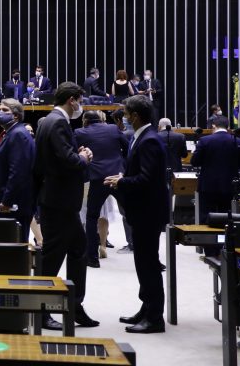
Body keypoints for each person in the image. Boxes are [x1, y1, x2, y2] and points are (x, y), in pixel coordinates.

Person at [33, 82, 98, 330]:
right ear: (72, 100)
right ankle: (41, 310)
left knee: (78, 250)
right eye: (80, 100)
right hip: (59, 201)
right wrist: (83, 157)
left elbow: (54, 156)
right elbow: (67, 160)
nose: (80, 105)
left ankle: (75, 305)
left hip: (55, 198)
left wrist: (74, 152)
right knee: (52, 257)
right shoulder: (58, 122)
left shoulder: (45, 121)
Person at [104, 95, 170, 333]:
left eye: (125, 112)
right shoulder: (141, 137)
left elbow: (147, 179)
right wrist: (123, 179)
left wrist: (122, 182)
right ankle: (146, 308)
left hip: (147, 213)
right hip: (142, 211)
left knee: (149, 264)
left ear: (135, 115)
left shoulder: (150, 140)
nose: (123, 116)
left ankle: (154, 318)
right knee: (143, 263)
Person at [74, 110, 128, 268]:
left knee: (92, 217)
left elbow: (73, 154)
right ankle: (142, 252)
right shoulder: (113, 129)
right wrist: (122, 166)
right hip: (117, 177)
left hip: (97, 179)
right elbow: (128, 148)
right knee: (132, 214)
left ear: (85, 120)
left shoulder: (79, 132)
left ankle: (92, 258)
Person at [190, 115, 240, 255]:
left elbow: (194, 162)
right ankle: (227, 247)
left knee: (207, 218)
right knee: (229, 218)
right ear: (228, 127)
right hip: (230, 186)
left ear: (213, 126)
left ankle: (210, 250)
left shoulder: (205, 140)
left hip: (208, 186)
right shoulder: (238, 141)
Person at [0, 98, 36, 241]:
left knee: (15, 249)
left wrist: (7, 201)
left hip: (12, 206)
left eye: (5, 110)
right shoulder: (10, 133)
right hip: (7, 205)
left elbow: (18, 172)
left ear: (16, 116)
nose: (0, 113)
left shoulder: (18, 134)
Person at [111, 108, 134, 254]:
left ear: (119, 120)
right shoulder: (135, 133)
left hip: (124, 176)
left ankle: (131, 243)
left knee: (126, 213)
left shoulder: (123, 135)